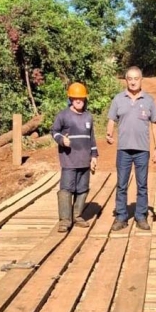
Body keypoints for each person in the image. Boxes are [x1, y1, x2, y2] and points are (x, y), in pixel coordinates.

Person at [106, 66, 156, 231]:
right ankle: (121, 216)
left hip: (142, 150)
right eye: (130, 79)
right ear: (126, 80)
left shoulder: (149, 100)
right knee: (121, 184)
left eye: (136, 78)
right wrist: (109, 133)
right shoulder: (118, 99)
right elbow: (111, 120)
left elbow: (155, 124)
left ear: (141, 80)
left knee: (142, 184)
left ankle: (141, 216)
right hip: (123, 150)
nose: (133, 82)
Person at [51, 82, 99, 233]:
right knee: (66, 189)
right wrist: (61, 140)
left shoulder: (88, 117)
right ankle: (65, 220)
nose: (78, 101)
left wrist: (94, 156)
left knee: (83, 189)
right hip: (69, 160)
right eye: (75, 98)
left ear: (85, 99)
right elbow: (54, 131)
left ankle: (77, 216)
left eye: (81, 99)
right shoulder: (63, 115)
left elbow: (92, 139)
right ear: (70, 99)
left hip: (84, 160)